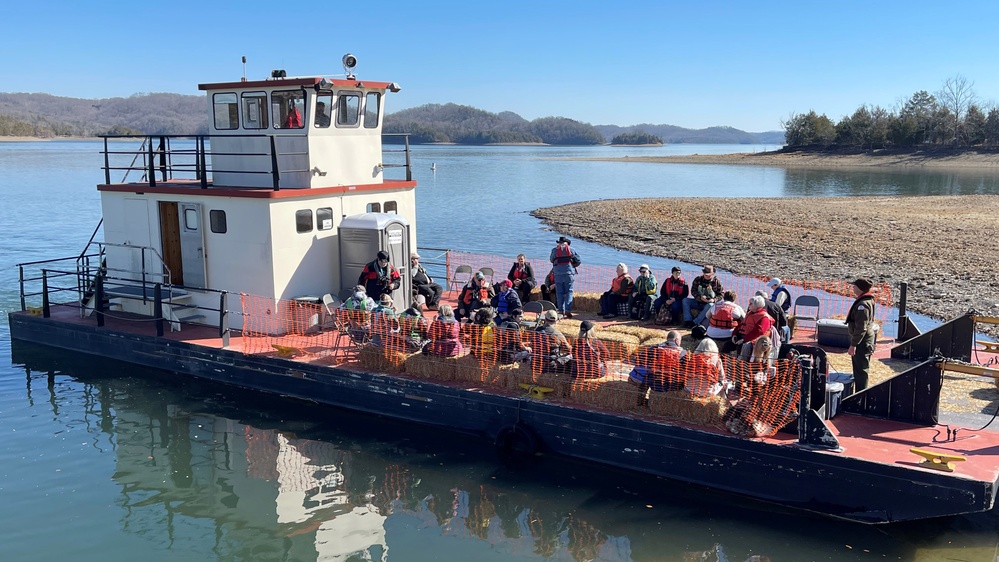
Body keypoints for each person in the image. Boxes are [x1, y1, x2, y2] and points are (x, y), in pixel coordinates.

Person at [845, 278, 877, 391]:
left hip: (862, 342)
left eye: (855, 286)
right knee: (860, 370)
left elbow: (861, 328)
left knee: (861, 371)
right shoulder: (868, 300)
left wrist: (853, 345)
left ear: (860, 288)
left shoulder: (862, 305)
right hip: (865, 340)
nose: (853, 288)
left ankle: (860, 395)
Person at [733, 296, 774, 360]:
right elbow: (741, 325)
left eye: (751, 303)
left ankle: (741, 364)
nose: (748, 305)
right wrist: (734, 334)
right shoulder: (750, 313)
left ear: (756, 306)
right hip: (742, 336)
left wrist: (744, 339)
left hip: (752, 339)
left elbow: (759, 332)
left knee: (744, 346)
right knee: (727, 345)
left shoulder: (764, 317)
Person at [549, 236, 581, 318]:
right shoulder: (571, 250)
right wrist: (573, 266)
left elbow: (552, 260)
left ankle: (560, 310)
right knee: (569, 292)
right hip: (569, 273)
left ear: (559, 243)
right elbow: (579, 260)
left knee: (559, 292)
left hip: (558, 274)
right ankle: (568, 310)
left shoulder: (555, 250)